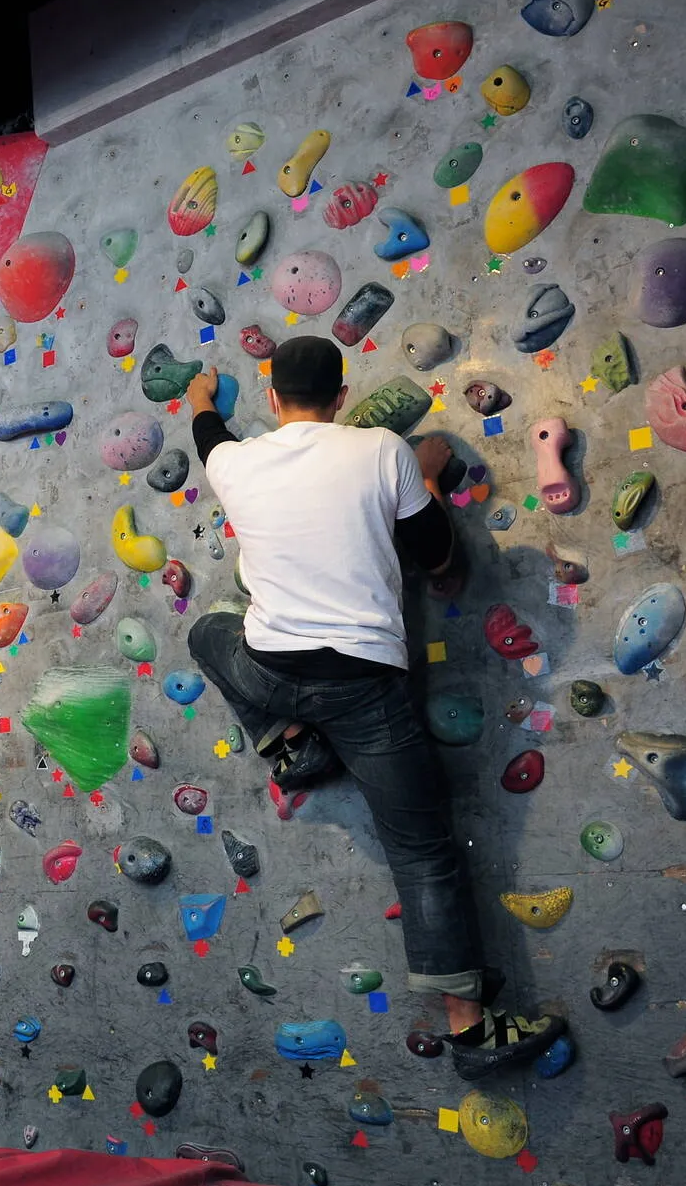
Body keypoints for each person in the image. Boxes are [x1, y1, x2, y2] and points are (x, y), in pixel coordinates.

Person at [183, 336, 563, 1078]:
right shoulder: (381, 450)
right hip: (365, 694)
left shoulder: (234, 461)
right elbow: (435, 553)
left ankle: (287, 745)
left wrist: (200, 394)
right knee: (422, 852)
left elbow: (206, 432)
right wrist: (424, 480)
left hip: (270, 672)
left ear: (271, 398)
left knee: (207, 631)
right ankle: (469, 1031)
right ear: (341, 394)